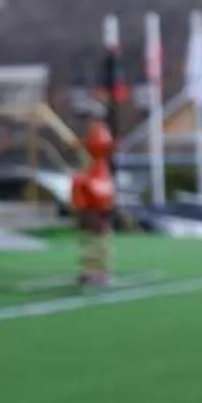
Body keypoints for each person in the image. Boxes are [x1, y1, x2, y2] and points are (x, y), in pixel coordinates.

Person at [69, 122, 117, 290]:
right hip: (91, 212)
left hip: (98, 212)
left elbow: (103, 192)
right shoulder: (92, 170)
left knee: (98, 244)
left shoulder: (98, 170)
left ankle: (98, 272)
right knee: (91, 244)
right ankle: (91, 271)